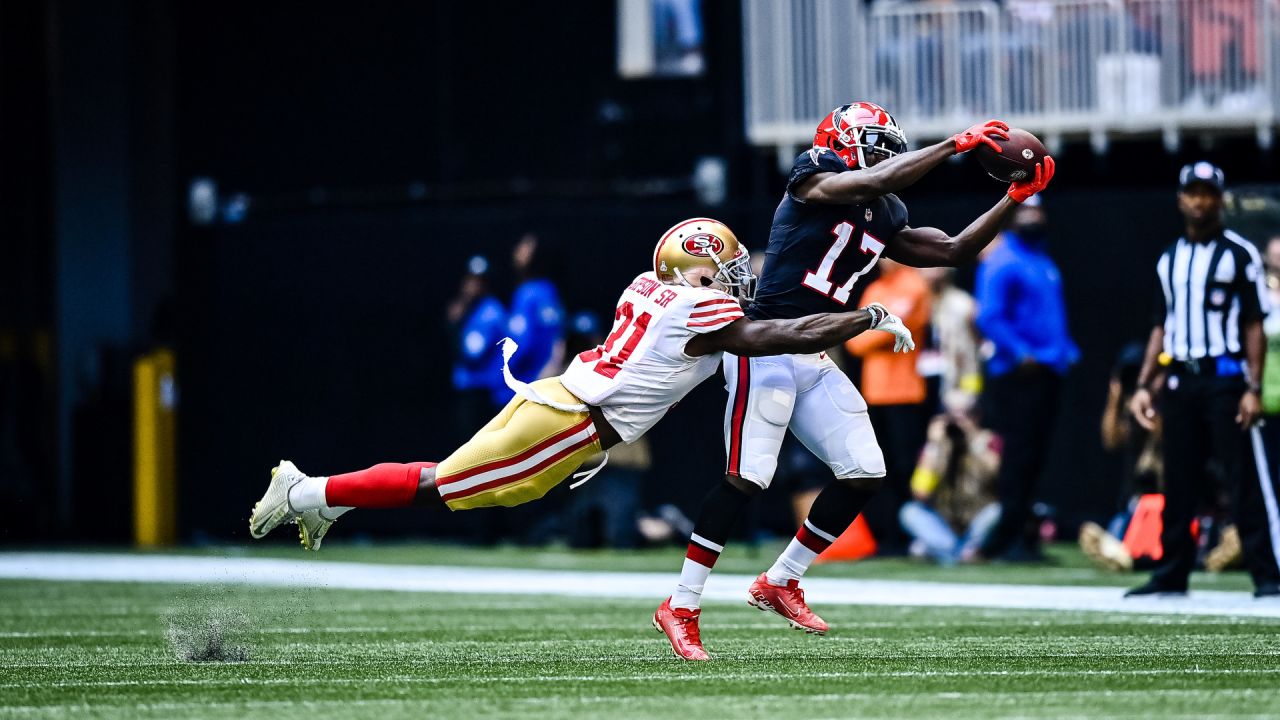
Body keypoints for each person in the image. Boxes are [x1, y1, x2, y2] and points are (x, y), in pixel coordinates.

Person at [247, 217, 916, 567]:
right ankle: (309, 491)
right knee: (440, 485)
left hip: (562, 405)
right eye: (726, 269)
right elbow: (780, 334)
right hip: (569, 423)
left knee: (453, 481)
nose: (736, 278)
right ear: (696, 272)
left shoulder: (648, 285)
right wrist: (865, 316)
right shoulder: (698, 309)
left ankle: (321, 495)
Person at [656, 102, 1055, 660]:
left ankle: (781, 579)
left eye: (891, 144)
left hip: (814, 352)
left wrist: (1013, 199)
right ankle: (681, 604)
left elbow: (955, 250)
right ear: (841, 140)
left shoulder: (886, 210)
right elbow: (870, 178)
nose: (886, 152)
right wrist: (952, 146)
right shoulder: (813, 173)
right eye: (876, 142)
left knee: (866, 471)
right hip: (765, 345)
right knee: (747, 477)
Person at [1126, 162, 1280, 598]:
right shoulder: (1169, 259)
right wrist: (1143, 384)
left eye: (1208, 193)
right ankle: (1172, 572)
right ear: (1180, 199)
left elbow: (1254, 324)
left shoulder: (1240, 254)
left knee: (1244, 480)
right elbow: (1162, 325)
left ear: (1220, 199)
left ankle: (1267, 574)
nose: (1200, 201)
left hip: (1226, 381)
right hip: (1181, 381)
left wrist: (1253, 387)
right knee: (1178, 480)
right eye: (1192, 193)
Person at [974, 194, 1078, 561]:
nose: (1033, 215)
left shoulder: (1041, 257)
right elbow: (989, 316)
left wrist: (1064, 350)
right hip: (1018, 375)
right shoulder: (1002, 258)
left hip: (1049, 369)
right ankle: (1009, 539)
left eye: (1038, 208)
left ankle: (1025, 536)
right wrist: (1021, 353)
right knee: (1018, 458)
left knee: (1035, 458)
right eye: (1026, 209)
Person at [844, 258, 931, 554]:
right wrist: (880, 329)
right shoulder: (877, 289)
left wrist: (874, 330)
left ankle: (908, 536)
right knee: (879, 468)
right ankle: (886, 535)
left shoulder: (913, 284)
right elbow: (854, 343)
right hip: (875, 391)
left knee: (905, 466)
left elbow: (889, 330)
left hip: (905, 391)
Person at [900, 389, 1001, 565]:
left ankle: (945, 552)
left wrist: (970, 440)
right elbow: (920, 492)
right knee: (909, 512)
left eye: (966, 414)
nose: (959, 420)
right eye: (952, 416)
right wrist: (933, 445)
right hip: (946, 521)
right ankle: (960, 552)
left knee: (996, 511)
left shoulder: (988, 440)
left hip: (976, 518)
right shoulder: (936, 446)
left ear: (976, 415)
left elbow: (995, 476)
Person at [447, 256, 508, 435]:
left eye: (480, 281)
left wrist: (453, 325)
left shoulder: (491, 311)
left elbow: (473, 354)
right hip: (468, 391)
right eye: (471, 279)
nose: (474, 285)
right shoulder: (469, 309)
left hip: (482, 394)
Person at [502, 234, 565, 400]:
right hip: (546, 386)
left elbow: (521, 345)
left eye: (525, 247)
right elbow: (559, 342)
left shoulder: (527, 293)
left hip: (522, 388)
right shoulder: (548, 290)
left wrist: (498, 376)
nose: (518, 251)